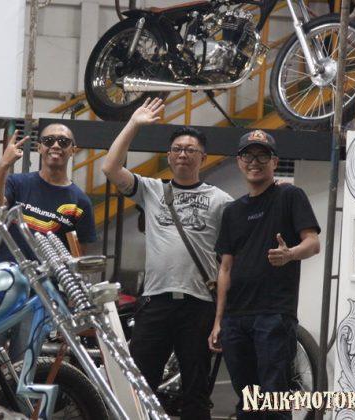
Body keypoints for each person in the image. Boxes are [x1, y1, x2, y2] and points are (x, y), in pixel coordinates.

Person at [102, 97, 233, 420]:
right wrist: (133, 124)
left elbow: (231, 261)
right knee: (139, 386)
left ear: (203, 157)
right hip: (155, 303)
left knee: (196, 392)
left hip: (198, 306)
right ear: (169, 156)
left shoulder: (221, 201)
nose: (183, 154)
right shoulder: (152, 191)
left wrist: (221, 317)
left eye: (190, 149)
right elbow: (110, 168)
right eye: (177, 149)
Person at [207, 129, 321, 420]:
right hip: (235, 318)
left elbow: (313, 243)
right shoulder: (232, 211)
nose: (254, 162)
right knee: (247, 400)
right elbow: (225, 268)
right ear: (239, 161)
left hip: (273, 315)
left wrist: (290, 254)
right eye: (248, 155)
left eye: (262, 155)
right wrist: (219, 320)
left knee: (274, 401)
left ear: (275, 162)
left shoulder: (289, 196)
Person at [0, 122, 97, 359]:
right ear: (39, 148)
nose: (56, 145)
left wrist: (71, 302)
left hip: (41, 294)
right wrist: (3, 166)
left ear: (73, 150)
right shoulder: (18, 183)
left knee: (23, 358)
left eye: (63, 142)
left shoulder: (80, 202)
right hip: (4, 282)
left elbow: (77, 258)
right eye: (48, 140)